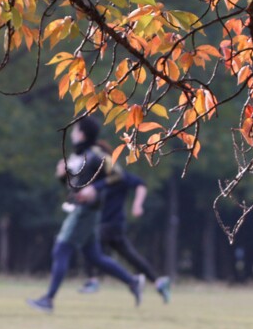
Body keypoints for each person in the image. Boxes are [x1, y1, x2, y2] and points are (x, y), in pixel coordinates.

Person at [27, 117, 145, 313]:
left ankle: (48, 300)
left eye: (74, 131)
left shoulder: (96, 155)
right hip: (85, 211)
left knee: (61, 250)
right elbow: (73, 188)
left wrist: (95, 188)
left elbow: (119, 175)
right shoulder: (78, 157)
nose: (72, 134)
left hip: (86, 212)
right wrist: (62, 176)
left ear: (81, 134)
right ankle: (132, 282)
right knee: (95, 257)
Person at [76, 157, 172, 303]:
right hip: (107, 224)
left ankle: (93, 280)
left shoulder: (120, 177)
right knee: (130, 256)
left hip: (113, 224)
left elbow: (141, 185)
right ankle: (155, 282)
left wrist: (137, 205)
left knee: (89, 242)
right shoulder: (100, 180)